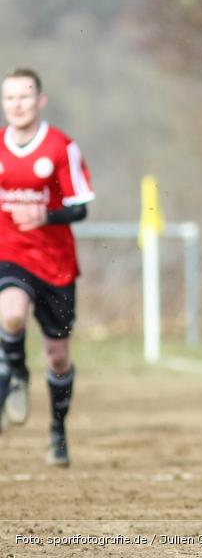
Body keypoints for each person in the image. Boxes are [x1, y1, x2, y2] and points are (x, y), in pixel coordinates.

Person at [0, 68, 94, 466]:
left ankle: (58, 431)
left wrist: (46, 215)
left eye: (25, 96)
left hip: (56, 264)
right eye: (10, 98)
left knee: (57, 356)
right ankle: (16, 371)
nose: (17, 104)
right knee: (11, 313)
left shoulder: (61, 148)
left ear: (40, 100)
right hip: (11, 253)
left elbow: (81, 207)